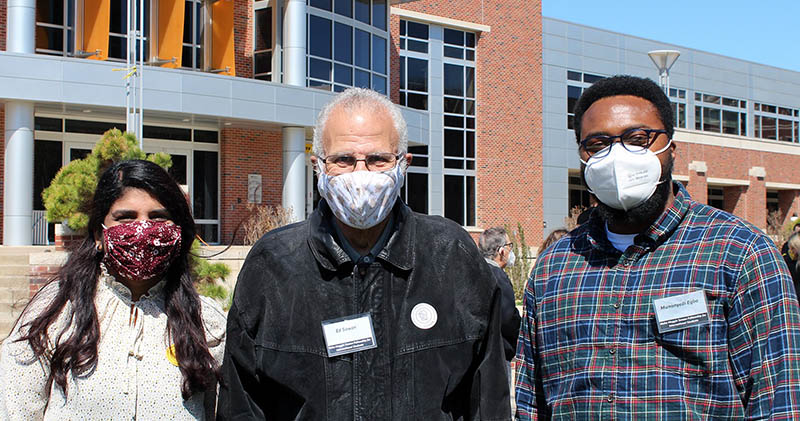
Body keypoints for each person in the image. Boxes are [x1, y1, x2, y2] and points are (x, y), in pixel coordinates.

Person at [515, 75, 800, 419]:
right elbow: (532, 403)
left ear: (671, 149)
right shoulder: (554, 267)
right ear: (582, 157)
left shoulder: (740, 253)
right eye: (598, 144)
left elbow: (779, 403)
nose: (617, 157)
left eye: (638, 139)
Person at [219, 88, 510, 420]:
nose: (361, 174)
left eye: (377, 159)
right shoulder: (273, 265)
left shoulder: (451, 255)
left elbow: (487, 397)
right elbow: (242, 404)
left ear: (403, 164)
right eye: (343, 160)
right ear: (319, 167)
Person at [0, 160, 226, 420]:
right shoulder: (53, 314)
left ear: (178, 232)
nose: (143, 229)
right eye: (126, 217)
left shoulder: (207, 322)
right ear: (99, 234)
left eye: (158, 217)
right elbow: (17, 410)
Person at [478, 227, 522, 379]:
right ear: (502, 251)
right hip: (497, 358)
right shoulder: (499, 279)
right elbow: (507, 319)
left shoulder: (472, 271)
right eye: (510, 246)